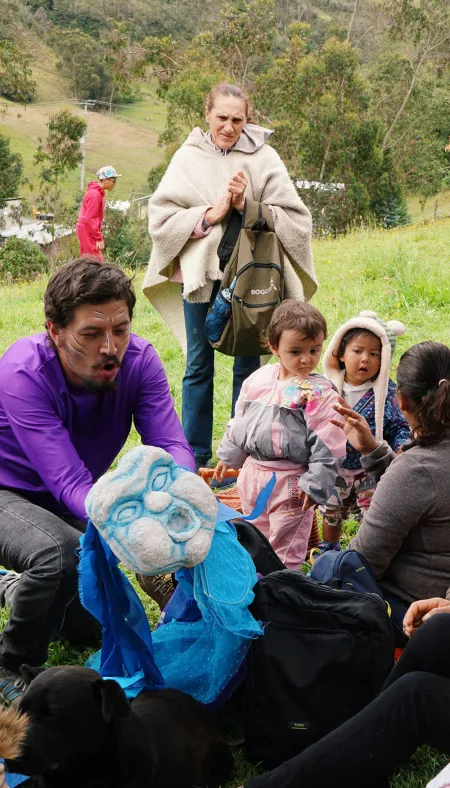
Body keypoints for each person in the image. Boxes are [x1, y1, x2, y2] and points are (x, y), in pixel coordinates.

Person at [0, 257, 194, 706]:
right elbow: (67, 481)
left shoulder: (140, 362)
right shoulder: (23, 371)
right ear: (55, 331)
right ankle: (10, 664)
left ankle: (14, 586)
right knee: (61, 554)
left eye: (120, 330)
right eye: (91, 333)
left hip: (71, 498)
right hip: (11, 491)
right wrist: (138, 534)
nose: (111, 348)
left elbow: (172, 447)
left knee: (103, 621)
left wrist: (185, 507)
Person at [143, 82, 316, 473]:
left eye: (237, 119)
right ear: (207, 114)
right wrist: (212, 213)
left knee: (249, 366)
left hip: (254, 279)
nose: (229, 126)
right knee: (198, 364)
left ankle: (246, 454)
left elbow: (296, 219)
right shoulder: (187, 158)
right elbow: (161, 217)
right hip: (202, 278)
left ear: (247, 119)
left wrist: (247, 205)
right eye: (222, 117)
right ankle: (194, 457)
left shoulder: (264, 158)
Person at [327, 341, 450, 645]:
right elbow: (426, 494)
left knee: (328, 572)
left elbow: (362, 562)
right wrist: (374, 451)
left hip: (417, 616)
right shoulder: (423, 469)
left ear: (401, 401)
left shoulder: (417, 470)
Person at [212, 300, 347, 568]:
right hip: (253, 476)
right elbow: (240, 421)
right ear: (274, 348)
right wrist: (230, 456)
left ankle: (283, 599)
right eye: (295, 351)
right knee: (254, 538)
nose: (306, 359)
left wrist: (316, 483)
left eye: (314, 350)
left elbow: (330, 443)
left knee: (286, 550)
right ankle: (258, 591)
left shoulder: (318, 393)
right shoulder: (258, 380)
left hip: (292, 483)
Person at [317, 310, 410, 551]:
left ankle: (365, 552)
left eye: (374, 354)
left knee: (372, 512)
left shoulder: (387, 393)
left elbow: (399, 425)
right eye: (357, 351)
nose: (365, 359)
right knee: (332, 510)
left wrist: (401, 448)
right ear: (340, 354)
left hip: (369, 468)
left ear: (385, 358)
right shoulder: (325, 388)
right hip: (335, 466)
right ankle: (329, 550)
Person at [76, 166, 121, 261]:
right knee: (95, 260)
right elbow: (91, 218)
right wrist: (98, 237)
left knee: (89, 259)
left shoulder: (98, 193)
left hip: (87, 228)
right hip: (87, 229)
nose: (115, 184)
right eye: (114, 181)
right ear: (105, 180)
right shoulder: (95, 194)